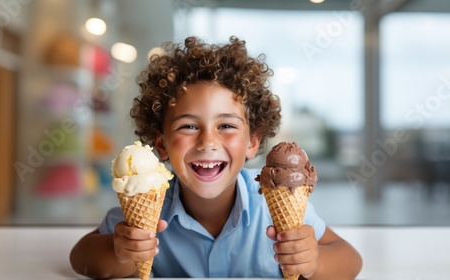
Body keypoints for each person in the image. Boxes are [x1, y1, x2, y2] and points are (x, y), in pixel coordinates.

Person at [70, 36, 362, 279]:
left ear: (253, 142)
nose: (208, 141)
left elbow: (350, 260)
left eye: (226, 126)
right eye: (188, 126)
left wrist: (314, 264)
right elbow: (80, 257)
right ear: (161, 144)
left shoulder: (267, 202)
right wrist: (120, 254)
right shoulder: (147, 203)